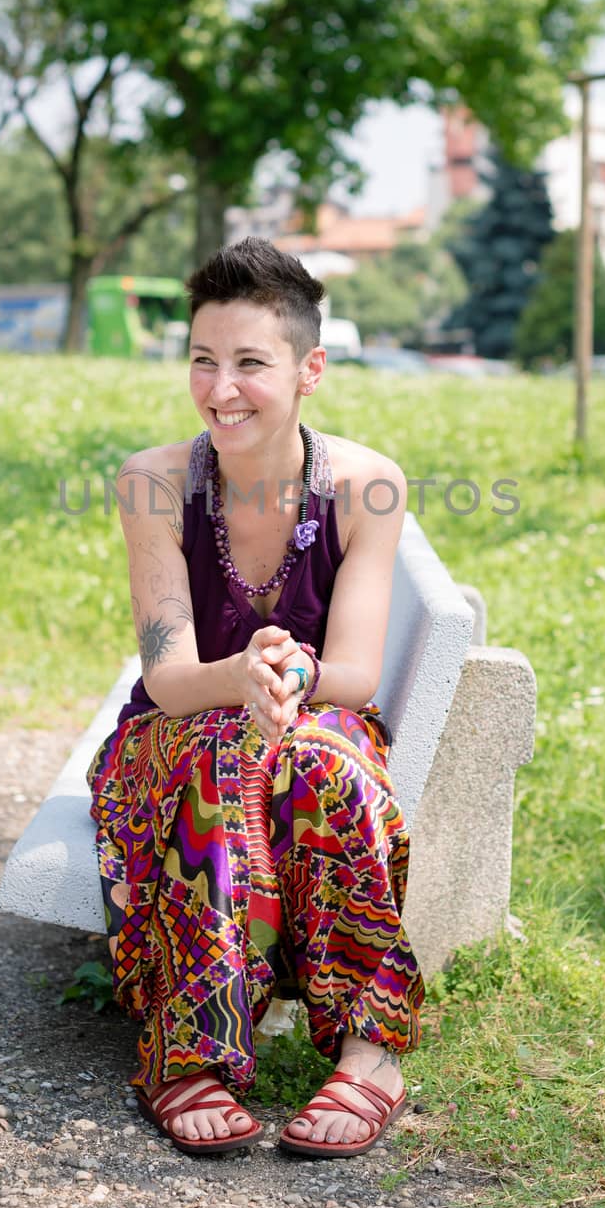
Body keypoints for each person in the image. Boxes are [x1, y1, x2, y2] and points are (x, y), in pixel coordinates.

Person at [86, 237, 424, 1158]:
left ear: (311, 369)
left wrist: (297, 678)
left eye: (249, 364)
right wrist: (241, 682)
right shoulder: (154, 482)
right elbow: (165, 676)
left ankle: (370, 1053)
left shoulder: (366, 487)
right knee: (227, 749)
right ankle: (190, 1053)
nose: (219, 387)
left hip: (313, 720)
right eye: (203, 359)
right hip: (176, 733)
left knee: (319, 756)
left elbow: (354, 670)